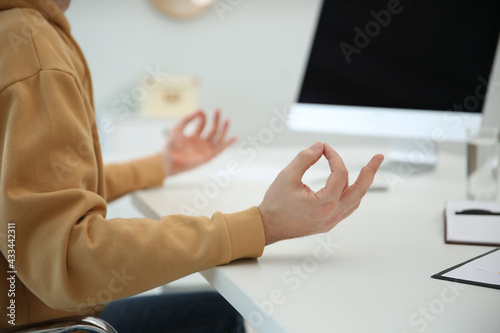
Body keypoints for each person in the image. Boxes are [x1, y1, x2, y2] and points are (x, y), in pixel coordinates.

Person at [0, 0, 384, 332]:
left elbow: (30, 196)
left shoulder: (16, 33)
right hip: (44, 325)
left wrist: (161, 164)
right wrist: (262, 226)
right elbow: (68, 258)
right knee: (225, 314)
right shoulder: (32, 47)